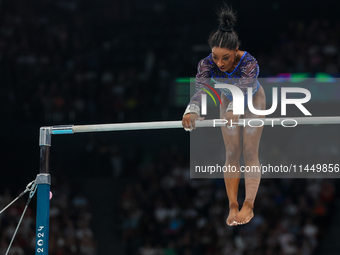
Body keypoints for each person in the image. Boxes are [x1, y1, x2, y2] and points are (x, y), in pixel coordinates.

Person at [182, 5, 266, 226]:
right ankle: (233, 205)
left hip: (253, 99)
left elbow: (246, 89)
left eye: (225, 58)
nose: (219, 63)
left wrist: (236, 109)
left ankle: (248, 203)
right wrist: (192, 111)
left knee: (249, 150)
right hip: (228, 100)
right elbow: (201, 89)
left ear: (236, 50)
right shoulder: (206, 64)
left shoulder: (249, 62)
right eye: (215, 56)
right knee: (231, 151)